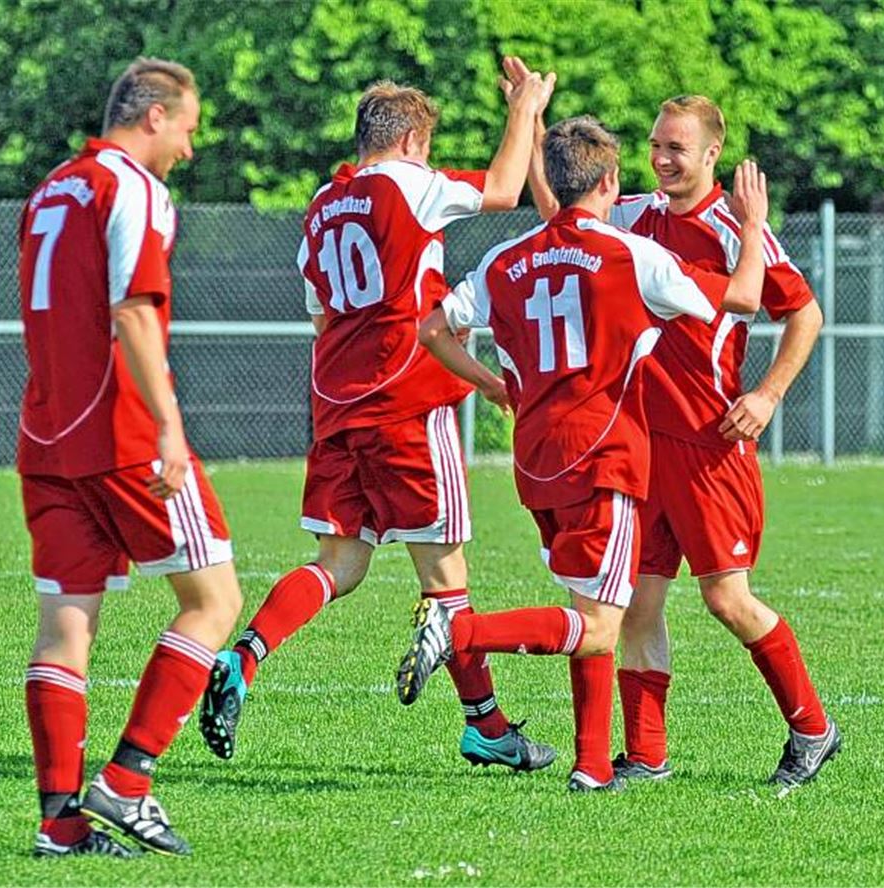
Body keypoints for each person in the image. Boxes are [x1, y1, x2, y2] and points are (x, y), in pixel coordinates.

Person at [198, 69, 559, 772]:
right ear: (413, 139)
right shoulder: (410, 183)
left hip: (339, 407)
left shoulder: (321, 206)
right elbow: (503, 188)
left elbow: (322, 317)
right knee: (445, 578)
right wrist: (523, 109)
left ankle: (244, 656)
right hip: (407, 401)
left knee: (339, 564)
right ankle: (485, 727)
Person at [399, 115, 769, 792]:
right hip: (603, 456)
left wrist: (490, 384)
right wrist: (752, 226)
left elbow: (432, 329)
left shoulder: (505, 258)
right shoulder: (631, 255)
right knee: (598, 626)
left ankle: (593, 767)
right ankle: (459, 634)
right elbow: (743, 296)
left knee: (588, 608)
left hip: (535, 463)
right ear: (609, 181)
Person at [518, 77, 839, 790]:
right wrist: (533, 123)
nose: (662, 158)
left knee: (727, 600)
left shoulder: (735, 228)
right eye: (656, 145)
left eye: (677, 148)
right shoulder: (634, 215)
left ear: (712, 154)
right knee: (638, 602)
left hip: (708, 445)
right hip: (638, 446)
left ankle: (813, 728)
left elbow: (804, 312)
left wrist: (767, 394)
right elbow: (562, 214)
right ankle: (648, 755)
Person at [18, 57, 242, 858]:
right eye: (187, 128)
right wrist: (169, 426)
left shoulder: (52, 189)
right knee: (214, 599)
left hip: (47, 437)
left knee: (65, 625)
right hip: (122, 436)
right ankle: (128, 781)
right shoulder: (133, 188)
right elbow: (134, 310)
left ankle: (60, 824)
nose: (189, 148)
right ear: (154, 116)